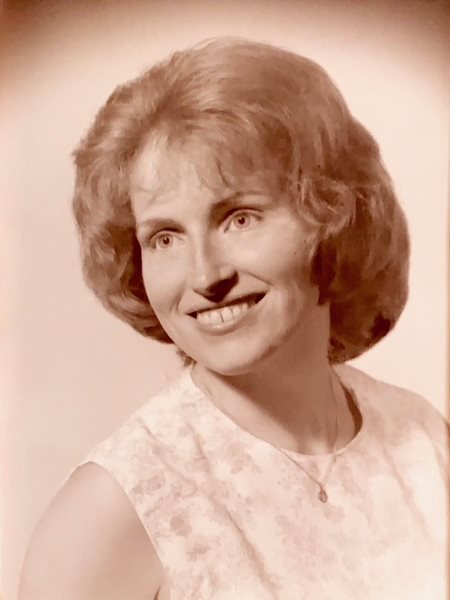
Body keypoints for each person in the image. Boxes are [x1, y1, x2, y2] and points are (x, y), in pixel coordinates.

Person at [19, 37, 448, 600]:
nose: (205, 275)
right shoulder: (112, 512)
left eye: (240, 218)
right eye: (164, 237)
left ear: (335, 215)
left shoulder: (425, 440)